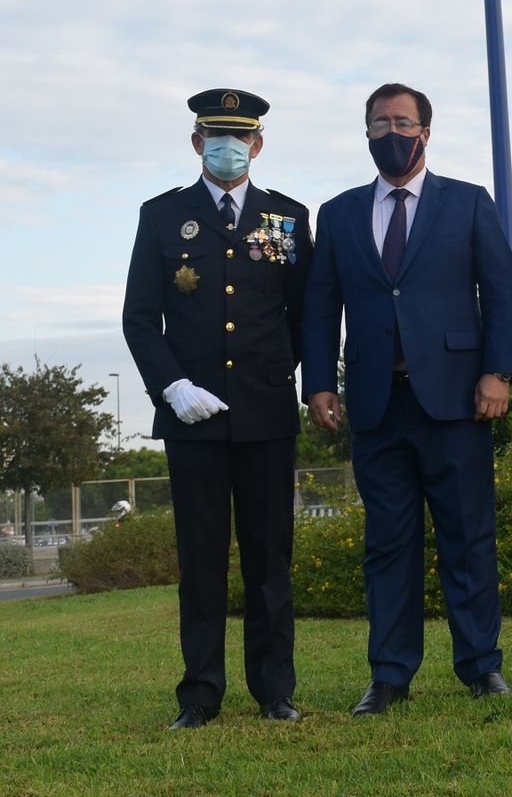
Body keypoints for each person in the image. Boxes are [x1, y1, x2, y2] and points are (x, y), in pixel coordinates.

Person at [301, 83, 512, 715]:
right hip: (374, 405)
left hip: (456, 401)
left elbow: (502, 293)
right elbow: (321, 307)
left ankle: (481, 665)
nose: (390, 132)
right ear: (366, 133)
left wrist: (499, 373)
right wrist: (318, 382)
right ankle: (389, 675)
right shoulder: (338, 214)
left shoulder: (469, 203)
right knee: (387, 545)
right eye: (379, 123)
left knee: (467, 537)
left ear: (426, 131)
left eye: (402, 121)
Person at [121, 88, 310, 729]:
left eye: (241, 138)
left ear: (257, 145)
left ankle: (274, 692)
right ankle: (199, 695)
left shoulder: (284, 218)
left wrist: (312, 383)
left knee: (269, 561)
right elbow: (140, 318)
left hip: (265, 413)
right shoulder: (162, 216)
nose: (229, 148)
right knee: (201, 562)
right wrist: (170, 386)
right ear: (198, 143)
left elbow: (304, 313)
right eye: (215, 138)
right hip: (192, 415)